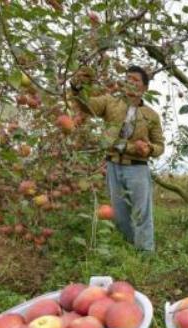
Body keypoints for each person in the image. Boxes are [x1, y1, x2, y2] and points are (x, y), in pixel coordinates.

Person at [69, 65, 165, 251]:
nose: (130, 82)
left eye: (135, 80)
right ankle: (127, 249)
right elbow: (86, 105)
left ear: (145, 87)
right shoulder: (110, 102)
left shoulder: (151, 115)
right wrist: (77, 87)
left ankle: (145, 253)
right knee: (119, 213)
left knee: (141, 212)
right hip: (113, 166)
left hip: (137, 167)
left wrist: (149, 148)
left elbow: (160, 145)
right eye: (128, 78)